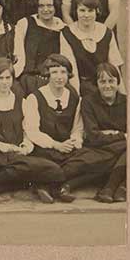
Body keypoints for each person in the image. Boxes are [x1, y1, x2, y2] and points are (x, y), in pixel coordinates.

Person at [0, 56, 65, 200]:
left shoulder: (21, 102)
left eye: (8, 78)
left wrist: (25, 146)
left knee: (55, 170)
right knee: (15, 167)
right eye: (0, 78)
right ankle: (5, 183)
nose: (5, 82)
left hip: (16, 155)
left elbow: (28, 130)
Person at [20, 53, 82, 203]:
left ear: (68, 74)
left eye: (63, 72)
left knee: (87, 160)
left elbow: (77, 128)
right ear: (47, 74)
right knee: (44, 163)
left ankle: (47, 185)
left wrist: (73, 141)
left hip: (66, 149)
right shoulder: (35, 98)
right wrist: (56, 145)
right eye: (54, 72)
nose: (59, 77)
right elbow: (32, 131)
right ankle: (52, 186)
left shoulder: (74, 97)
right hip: (45, 149)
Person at [67, 61, 127, 202]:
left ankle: (111, 188)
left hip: (119, 148)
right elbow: (94, 136)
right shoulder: (88, 102)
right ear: (97, 84)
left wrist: (109, 134)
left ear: (118, 82)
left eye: (111, 81)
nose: (107, 86)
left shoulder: (127, 102)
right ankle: (117, 188)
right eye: (102, 81)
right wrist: (122, 135)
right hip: (98, 148)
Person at [59, 0, 124, 95]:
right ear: (76, 11)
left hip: (103, 86)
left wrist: (123, 95)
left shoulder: (106, 32)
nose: (86, 15)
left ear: (97, 11)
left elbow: (114, 67)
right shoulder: (67, 33)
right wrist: (78, 98)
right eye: (82, 10)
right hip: (79, 86)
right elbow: (72, 71)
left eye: (90, 11)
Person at [13, 0, 72, 96]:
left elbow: (67, 60)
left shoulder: (63, 28)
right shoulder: (25, 23)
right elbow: (18, 54)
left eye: (49, 5)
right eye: (41, 6)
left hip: (54, 79)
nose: (45, 9)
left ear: (55, 6)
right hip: (28, 79)